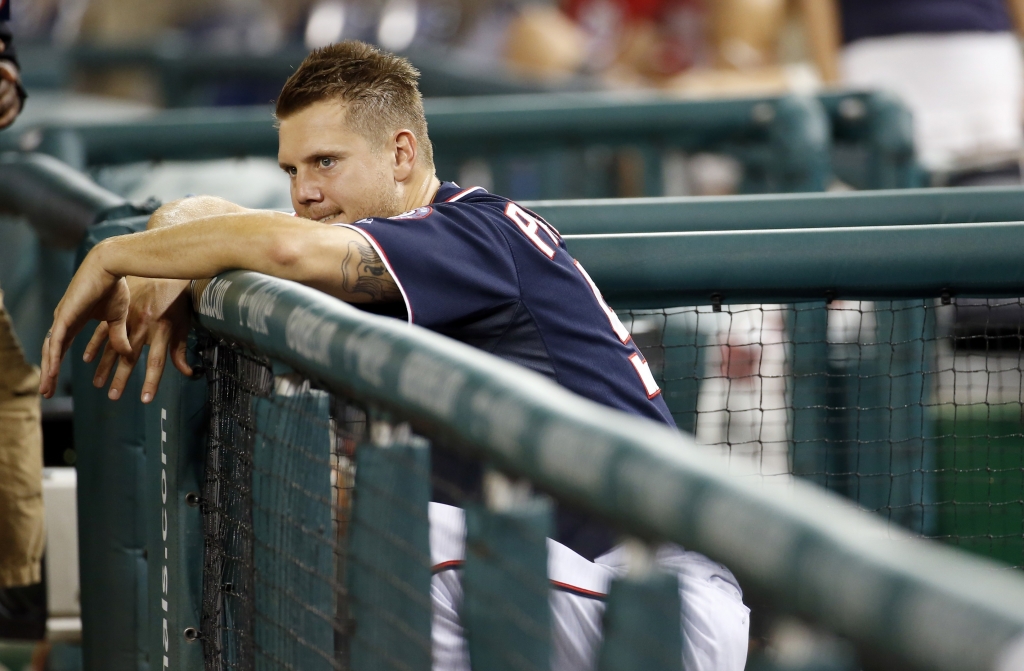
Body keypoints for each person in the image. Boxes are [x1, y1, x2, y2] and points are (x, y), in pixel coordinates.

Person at [39, 41, 748, 670]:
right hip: (565, 587)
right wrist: (170, 248)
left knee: (407, 533)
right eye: (291, 167)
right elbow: (220, 220)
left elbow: (281, 244)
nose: (304, 190)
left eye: (326, 162)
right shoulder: (387, 239)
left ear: (402, 154)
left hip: (656, 603)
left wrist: (118, 254)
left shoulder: (471, 232)